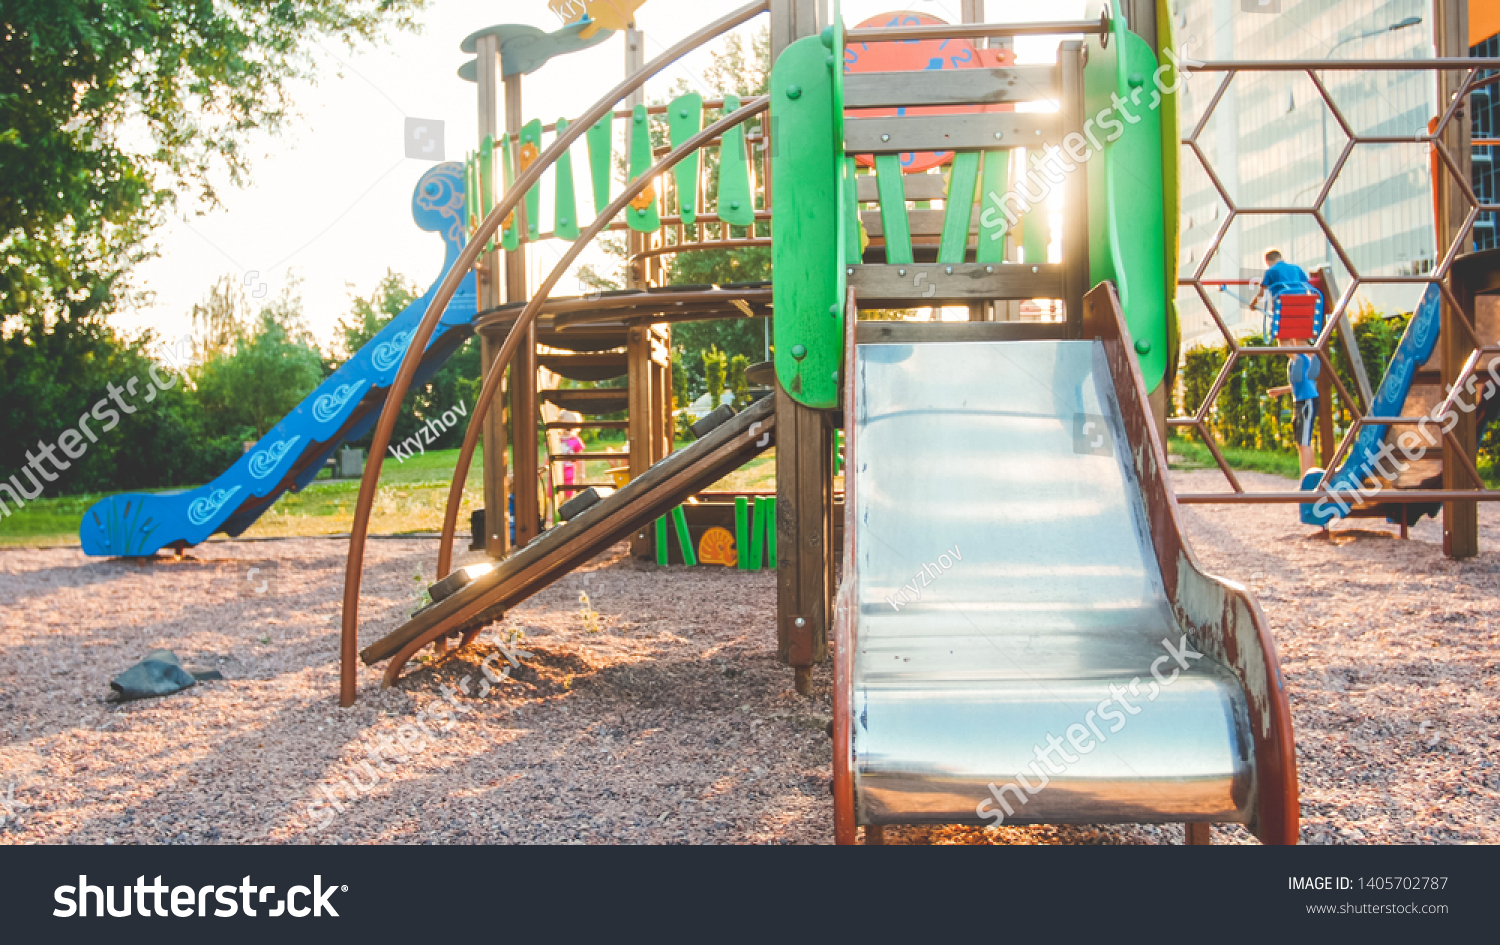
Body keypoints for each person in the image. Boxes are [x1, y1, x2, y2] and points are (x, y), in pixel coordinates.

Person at [1267, 339, 1320, 473]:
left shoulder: (1300, 358)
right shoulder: (1295, 361)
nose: (1281, 346)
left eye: (1283, 343)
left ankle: (1305, 482)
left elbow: (1295, 347)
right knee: (1301, 443)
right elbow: (1299, 384)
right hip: (1300, 402)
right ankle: (1311, 478)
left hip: (1307, 401)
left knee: (1304, 442)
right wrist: (1280, 391)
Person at [1248, 248, 1312, 314]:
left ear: (1267, 261)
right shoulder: (1296, 268)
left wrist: (1253, 304)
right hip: (1302, 307)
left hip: (1282, 308)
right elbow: (1309, 285)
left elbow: (1262, 294)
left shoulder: (1270, 271)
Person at [557, 410, 586, 490]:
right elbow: (547, 453)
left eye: (572, 423)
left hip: (569, 471)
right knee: (554, 492)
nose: (569, 426)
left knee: (569, 492)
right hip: (555, 471)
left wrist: (581, 473)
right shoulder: (555, 439)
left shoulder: (575, 440)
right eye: (566, 423)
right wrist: (543, 465)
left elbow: (580, 458)